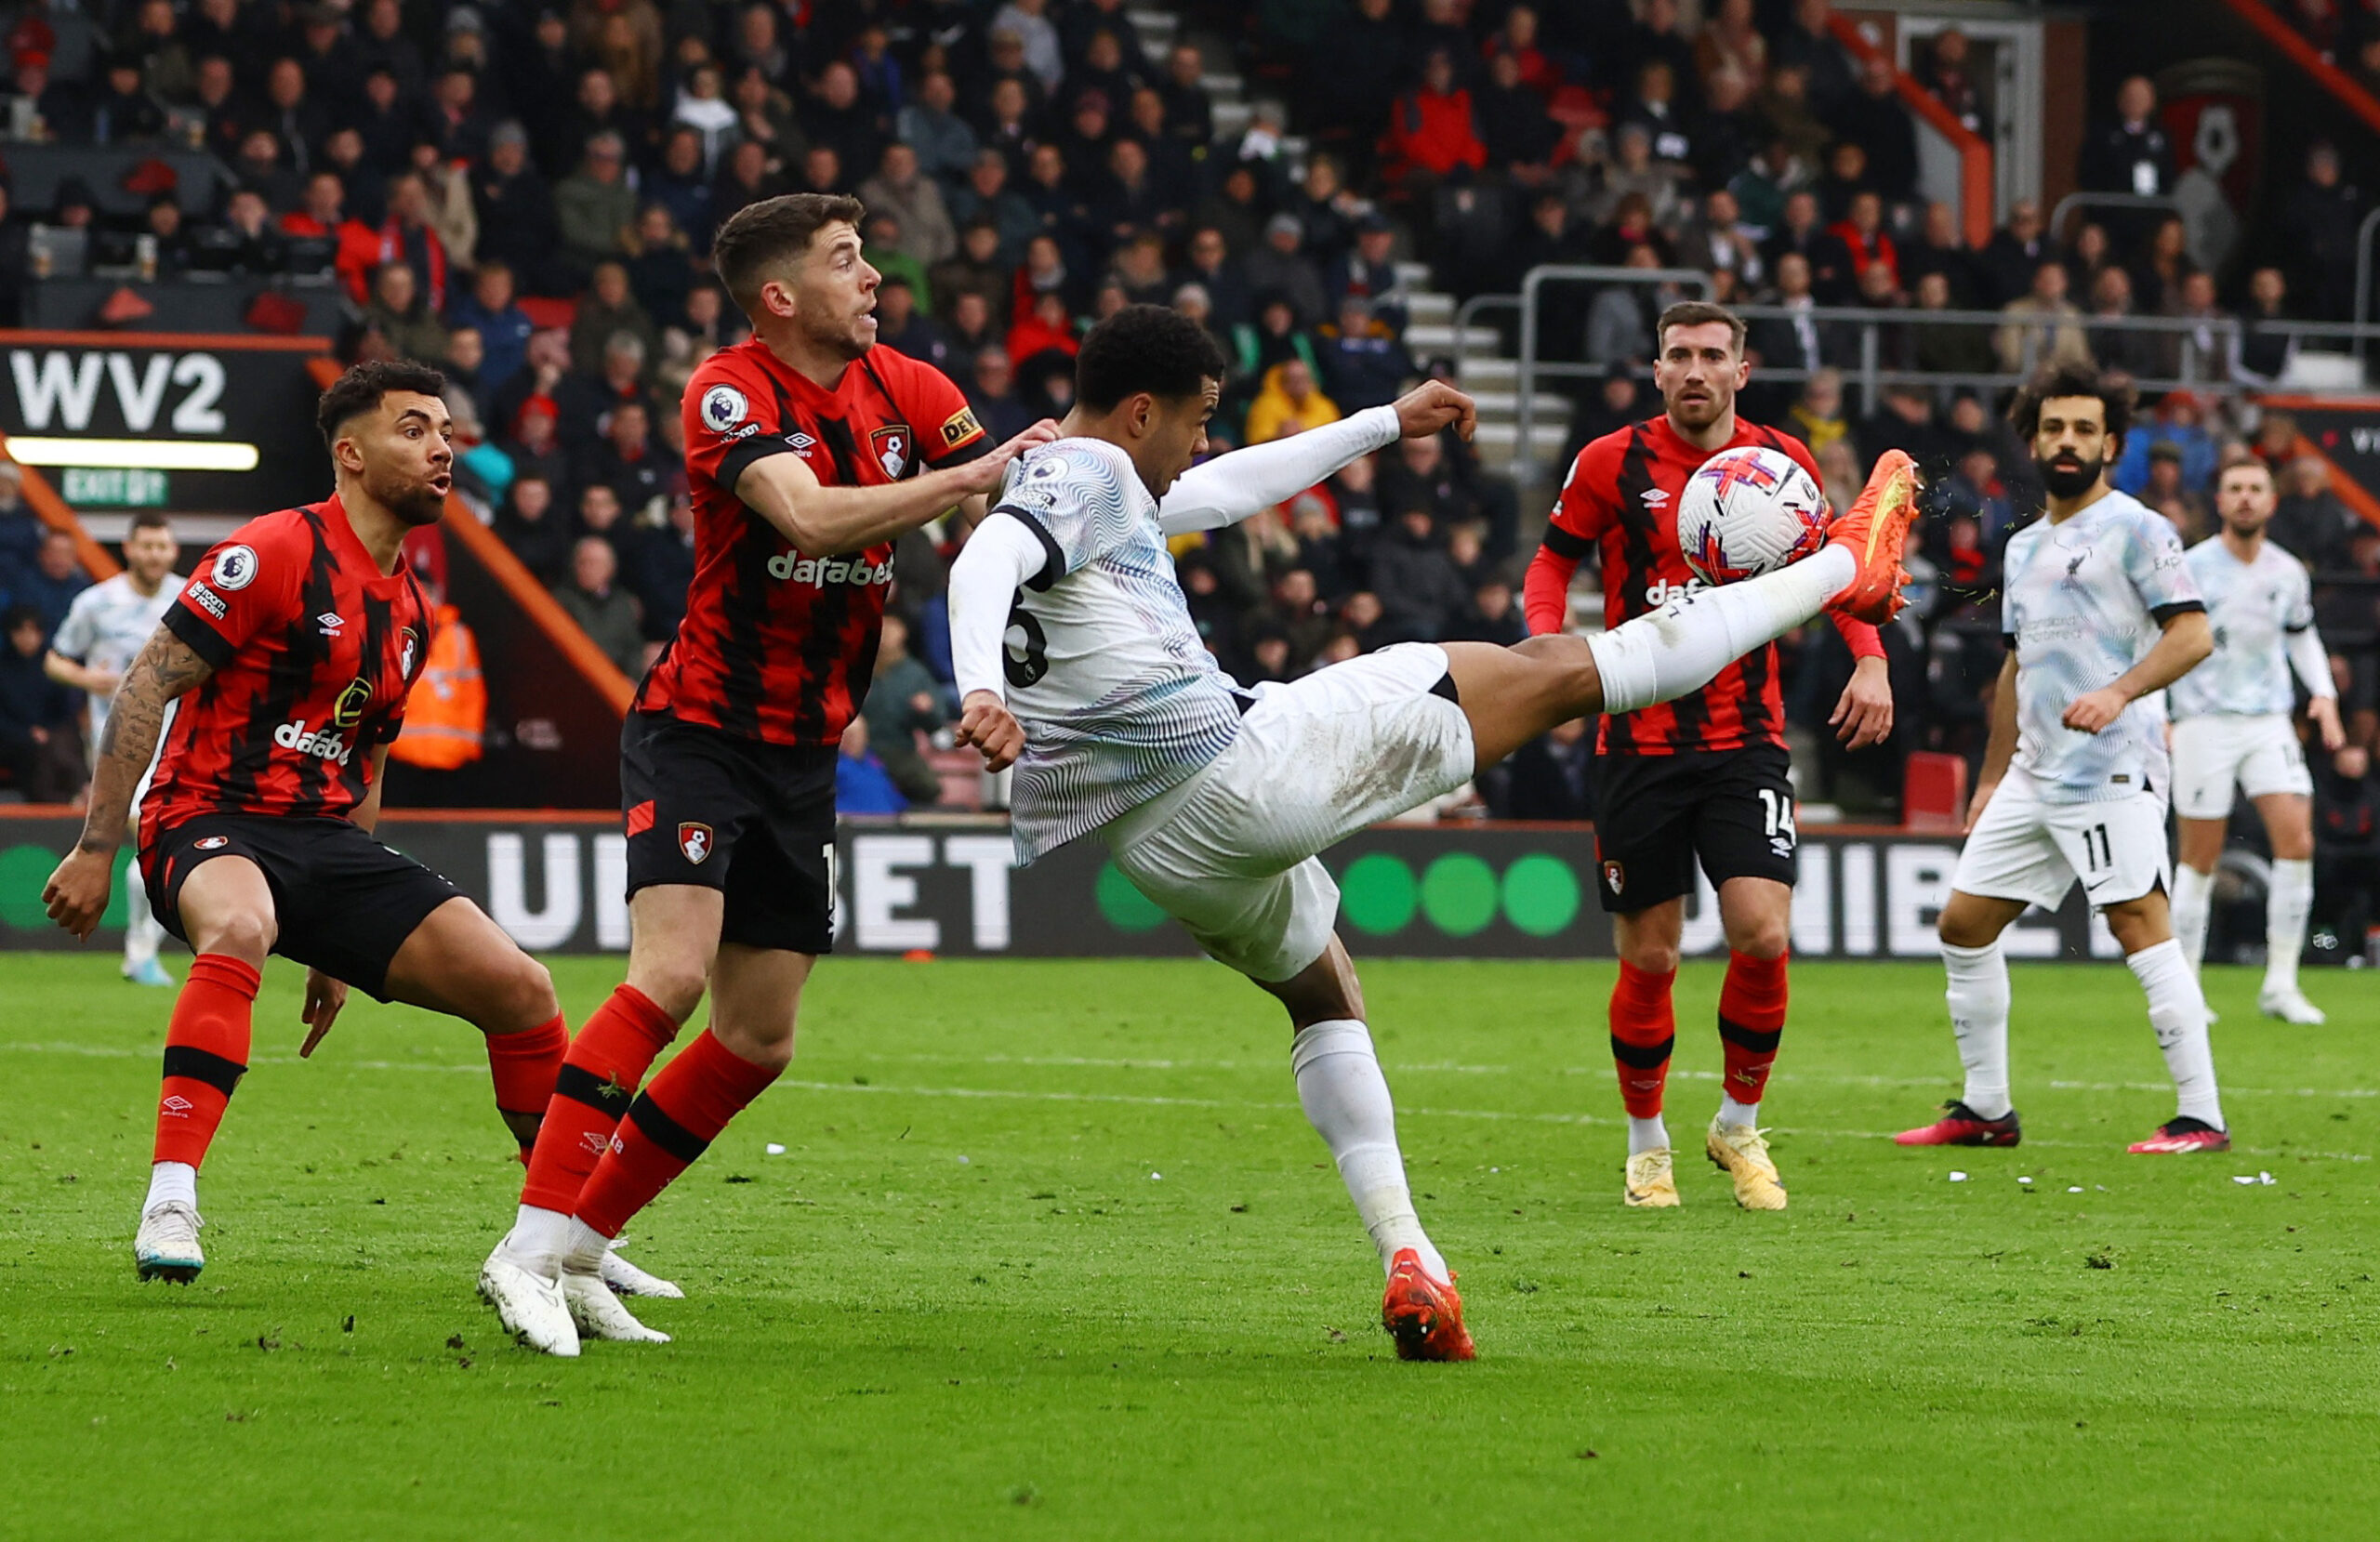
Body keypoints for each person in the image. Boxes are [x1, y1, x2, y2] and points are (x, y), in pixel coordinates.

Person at [942, 305, 1919, 1361]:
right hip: (1232, 776)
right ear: (1140, 412)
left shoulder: (1091, 476)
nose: (1202, 444)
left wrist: (1381, 422)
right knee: (1557, 673)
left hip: (1151, 840)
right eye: (1197, 420)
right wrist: (979, 688)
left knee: (1323, 992)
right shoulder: (1076, 475)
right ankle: (1838, 570)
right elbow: (981, 560)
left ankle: (1414, 1259)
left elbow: (1218, 492)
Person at [478, 194, 1052, 1357]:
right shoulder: (726, 390)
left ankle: (587, 1242)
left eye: (869, 257)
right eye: (846, 261)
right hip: (699, 727)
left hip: (803, 749)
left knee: (757, 1037)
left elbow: (1002, 511)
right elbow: (807, 516)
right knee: (673, 976)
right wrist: (959, 486)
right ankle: (527, 1250)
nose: (874, 277)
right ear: (780, 295)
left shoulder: (915, 391)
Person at [39, 362, 583, 1287]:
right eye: (414, 429)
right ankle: (171, 1196)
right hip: (204, 816)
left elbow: (363, 759)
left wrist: (338, 939)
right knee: (243, 925)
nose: (442, 447)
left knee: (521, 989)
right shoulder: (274, 550)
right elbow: (147, 682)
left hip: (324, 840)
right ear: (352, 453)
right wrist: (98, 845)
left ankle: (565, 1240)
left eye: (446, 431)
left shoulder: (410, 608)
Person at [1521, 303, 1893, 1212]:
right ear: (1655, 370)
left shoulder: (1782, 465)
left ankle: (1735, 1124)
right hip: (1635, 742)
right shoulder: (1611, 461)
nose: (1693, 369)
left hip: (1745, 742)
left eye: (1711, 356)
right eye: (1677, 355)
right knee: (1649, 960)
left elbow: (1833, 573)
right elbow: (1548, 567)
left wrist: (1872, 662)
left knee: (1762, 932)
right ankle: (1646, 1147)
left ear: (1742, 369)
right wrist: (1548, 659)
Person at [1896, 360, 2225, 1157]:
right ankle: (1986, 1110)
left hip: (2113, 765)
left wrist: (2117, 692)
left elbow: (2193, 633)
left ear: (2110, 442)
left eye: (2083, 428)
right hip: (2034, 774)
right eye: (2053, 428)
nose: (2067, 441)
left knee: (2137, 921)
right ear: (2032, 441)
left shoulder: (2141, 529)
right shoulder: (2025, 546)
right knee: (1963, 924)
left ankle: (2200, 1115)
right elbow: (2017, 667)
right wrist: (1989, 777)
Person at [2166, 459, 2345, 1022]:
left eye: (2256, 489)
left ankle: (2281, 984)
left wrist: (2323, 694)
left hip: (2268, 721)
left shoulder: (2288, 571)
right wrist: (2158, 713)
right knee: (2199, 858)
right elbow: (2159, 640)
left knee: (2297, 843)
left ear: (2272, 502)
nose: (2245, 498)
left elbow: (2300, 635)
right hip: (2202, 721)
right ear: (2219, 501)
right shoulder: (2190, 568)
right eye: (2235, 489)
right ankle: (2185, 989)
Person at [45, 510, 180, 985]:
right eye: (146, 545)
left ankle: (143, 949)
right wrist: (87, 678)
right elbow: (56, 658)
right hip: (117, 745)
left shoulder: (190, 598)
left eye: (162, 546)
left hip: (179, 746)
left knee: (160, 843)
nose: (154, 554)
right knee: (152, 837)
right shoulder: (97, 602)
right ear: (129, 549)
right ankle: (140, 952)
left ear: (173, 550)